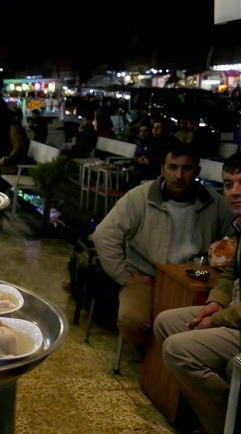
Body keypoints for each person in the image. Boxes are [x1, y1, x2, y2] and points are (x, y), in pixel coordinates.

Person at [92, 141, 233, 351]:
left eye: (187, 168)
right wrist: (125, 277)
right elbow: (104, 235)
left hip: (193, 278)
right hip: (147, 276)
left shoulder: (215, 202)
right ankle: (149, 355)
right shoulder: (140, 197)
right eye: (172, 167)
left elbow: (233, 238)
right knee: (133, 320)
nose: (179, 175)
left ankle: (172, 358)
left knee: (204, 325)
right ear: (162, 169)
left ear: (197, 171)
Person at [153, 153, 240, 434]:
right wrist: (215, 303)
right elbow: (230, 272)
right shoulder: (239, 224)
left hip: (237, 321)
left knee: (178, 349)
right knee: (165, 322)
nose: (235, 192)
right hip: (232, 312)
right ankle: (215, 418)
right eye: (228, 184)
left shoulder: (218, 210)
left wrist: (216, 320)